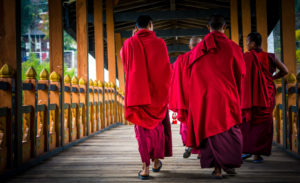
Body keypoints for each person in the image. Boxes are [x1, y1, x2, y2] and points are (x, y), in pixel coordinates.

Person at [185, 15, 246, 179]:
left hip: (206, 97)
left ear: (208, 27)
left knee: (210, 131)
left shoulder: (197, 49)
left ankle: (217, 170)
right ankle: (228, 164)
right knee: (229, 131)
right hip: (227, 95)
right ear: (224, 27)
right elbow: (241, 74)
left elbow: (194, 77)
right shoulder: (234, 47)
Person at [120, 15, 173, 180]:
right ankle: (156, 162)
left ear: (136, 27)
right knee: (158, 129)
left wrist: (132, 39)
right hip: (157, 95)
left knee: (142, 132)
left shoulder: (130, 43)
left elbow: (125, 64)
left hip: (138, 96)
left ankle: (145, 168)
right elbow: (166, 70)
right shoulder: (160, 43)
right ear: (151, 25)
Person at [241, 32, 288, 163]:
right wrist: (272, 78)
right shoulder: (270, 57)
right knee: (263, 125)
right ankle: (257, 155)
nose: (246, 44)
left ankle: (248, 150)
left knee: (248, 123)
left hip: (250, 96)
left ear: (253, 44)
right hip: (266, 95)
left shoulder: (245, 57)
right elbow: (285, 70)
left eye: (247, 41)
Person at [169, 36, 202, 159]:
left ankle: (190, 145)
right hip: (202, 98)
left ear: (189, 46)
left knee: (188, 123)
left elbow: (171, 76)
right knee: (202, 123)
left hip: (186, 99)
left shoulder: (181, 60)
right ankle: (200, 150)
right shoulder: (206, 58)